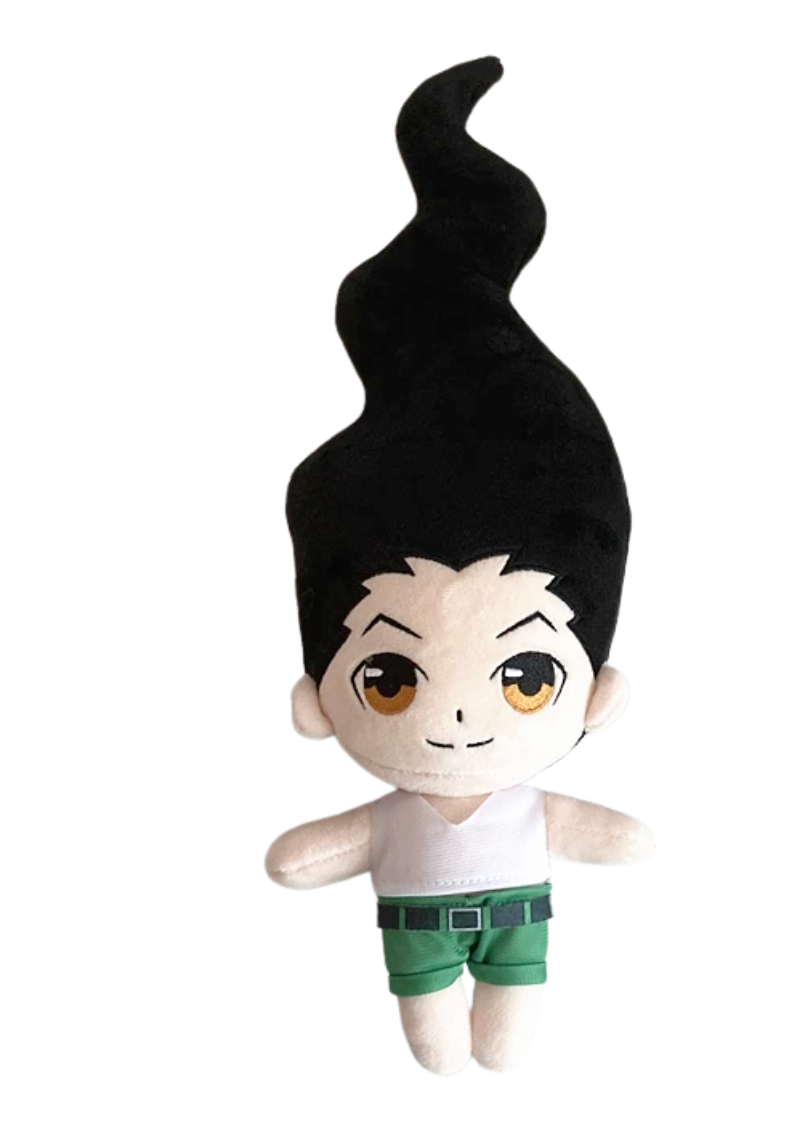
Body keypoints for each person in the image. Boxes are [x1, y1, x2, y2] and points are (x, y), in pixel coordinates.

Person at [265, 56, 654, 1075]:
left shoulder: (525, 802)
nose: (454, 719)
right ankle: (447, 1052)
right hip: (418, 934)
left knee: (504, 1028)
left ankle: (484, 1050)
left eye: (526, 677)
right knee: (435, 1042)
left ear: (596, 693)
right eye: (390, 679)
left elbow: (612, 836)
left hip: (514, 922)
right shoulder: (406, 802)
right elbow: (302, 858)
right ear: (318, 700)